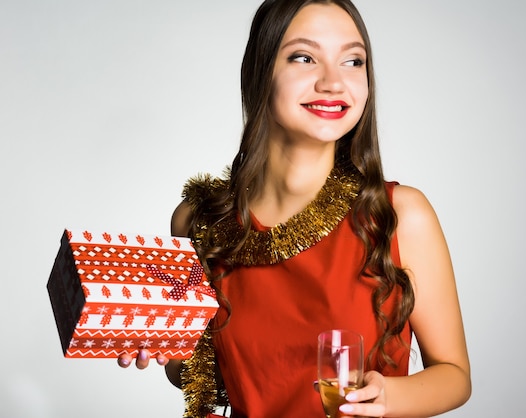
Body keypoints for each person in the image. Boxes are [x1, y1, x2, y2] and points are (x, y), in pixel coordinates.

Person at [119, 0, 471, 417]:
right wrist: (159, 346)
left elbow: (454, 375)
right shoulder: (197, 221)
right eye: (304, 57)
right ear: (261, 72)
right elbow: (206, 374)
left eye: (353, 61)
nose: (334, 83)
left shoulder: (399, 215)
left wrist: (388, 397)